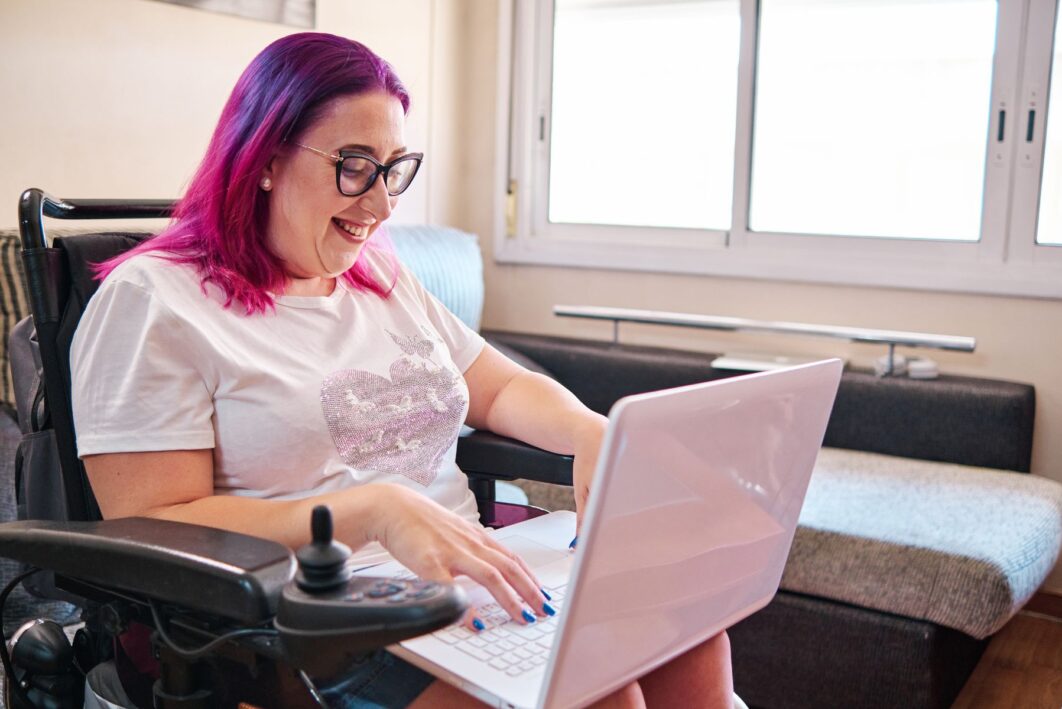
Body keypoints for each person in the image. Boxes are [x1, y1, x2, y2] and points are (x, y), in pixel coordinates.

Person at [69, 32, 733, 708]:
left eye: (394, 168)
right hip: (307, 624)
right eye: (354, 165)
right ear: (266, 159)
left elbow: (498, 386)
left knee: (694, 639)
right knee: (603, 695)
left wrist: (590, 431)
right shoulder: (154, 301)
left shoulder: (378, 277)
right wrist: (373, 511)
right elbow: (151, 519)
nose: (383, 206)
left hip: (467, 579)